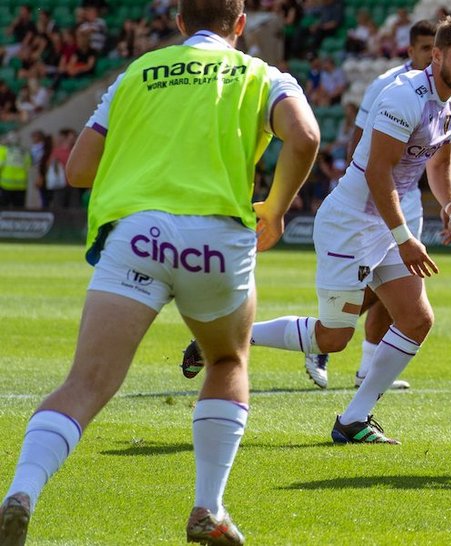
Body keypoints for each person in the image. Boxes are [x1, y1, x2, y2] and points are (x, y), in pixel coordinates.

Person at [0, 1, 317, 544]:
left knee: (86, 383)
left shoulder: (135, 74)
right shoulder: (265, 75)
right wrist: (277, 206)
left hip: (139, 235)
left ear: (178, 23)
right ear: (239, 25)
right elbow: (305, 137)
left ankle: (21, 490)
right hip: (216, 240)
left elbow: (78, 170)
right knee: (224, 359)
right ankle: (208, 509)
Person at [198, 16, 451, 446]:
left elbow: (439, 163)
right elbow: (376, 174)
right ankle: (222, 336)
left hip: (385, 223)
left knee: (417, 318)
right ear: (436, 55)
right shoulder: (403, 96)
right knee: (333, 337)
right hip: (350, 223)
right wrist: (405, 239)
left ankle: (353, 419)